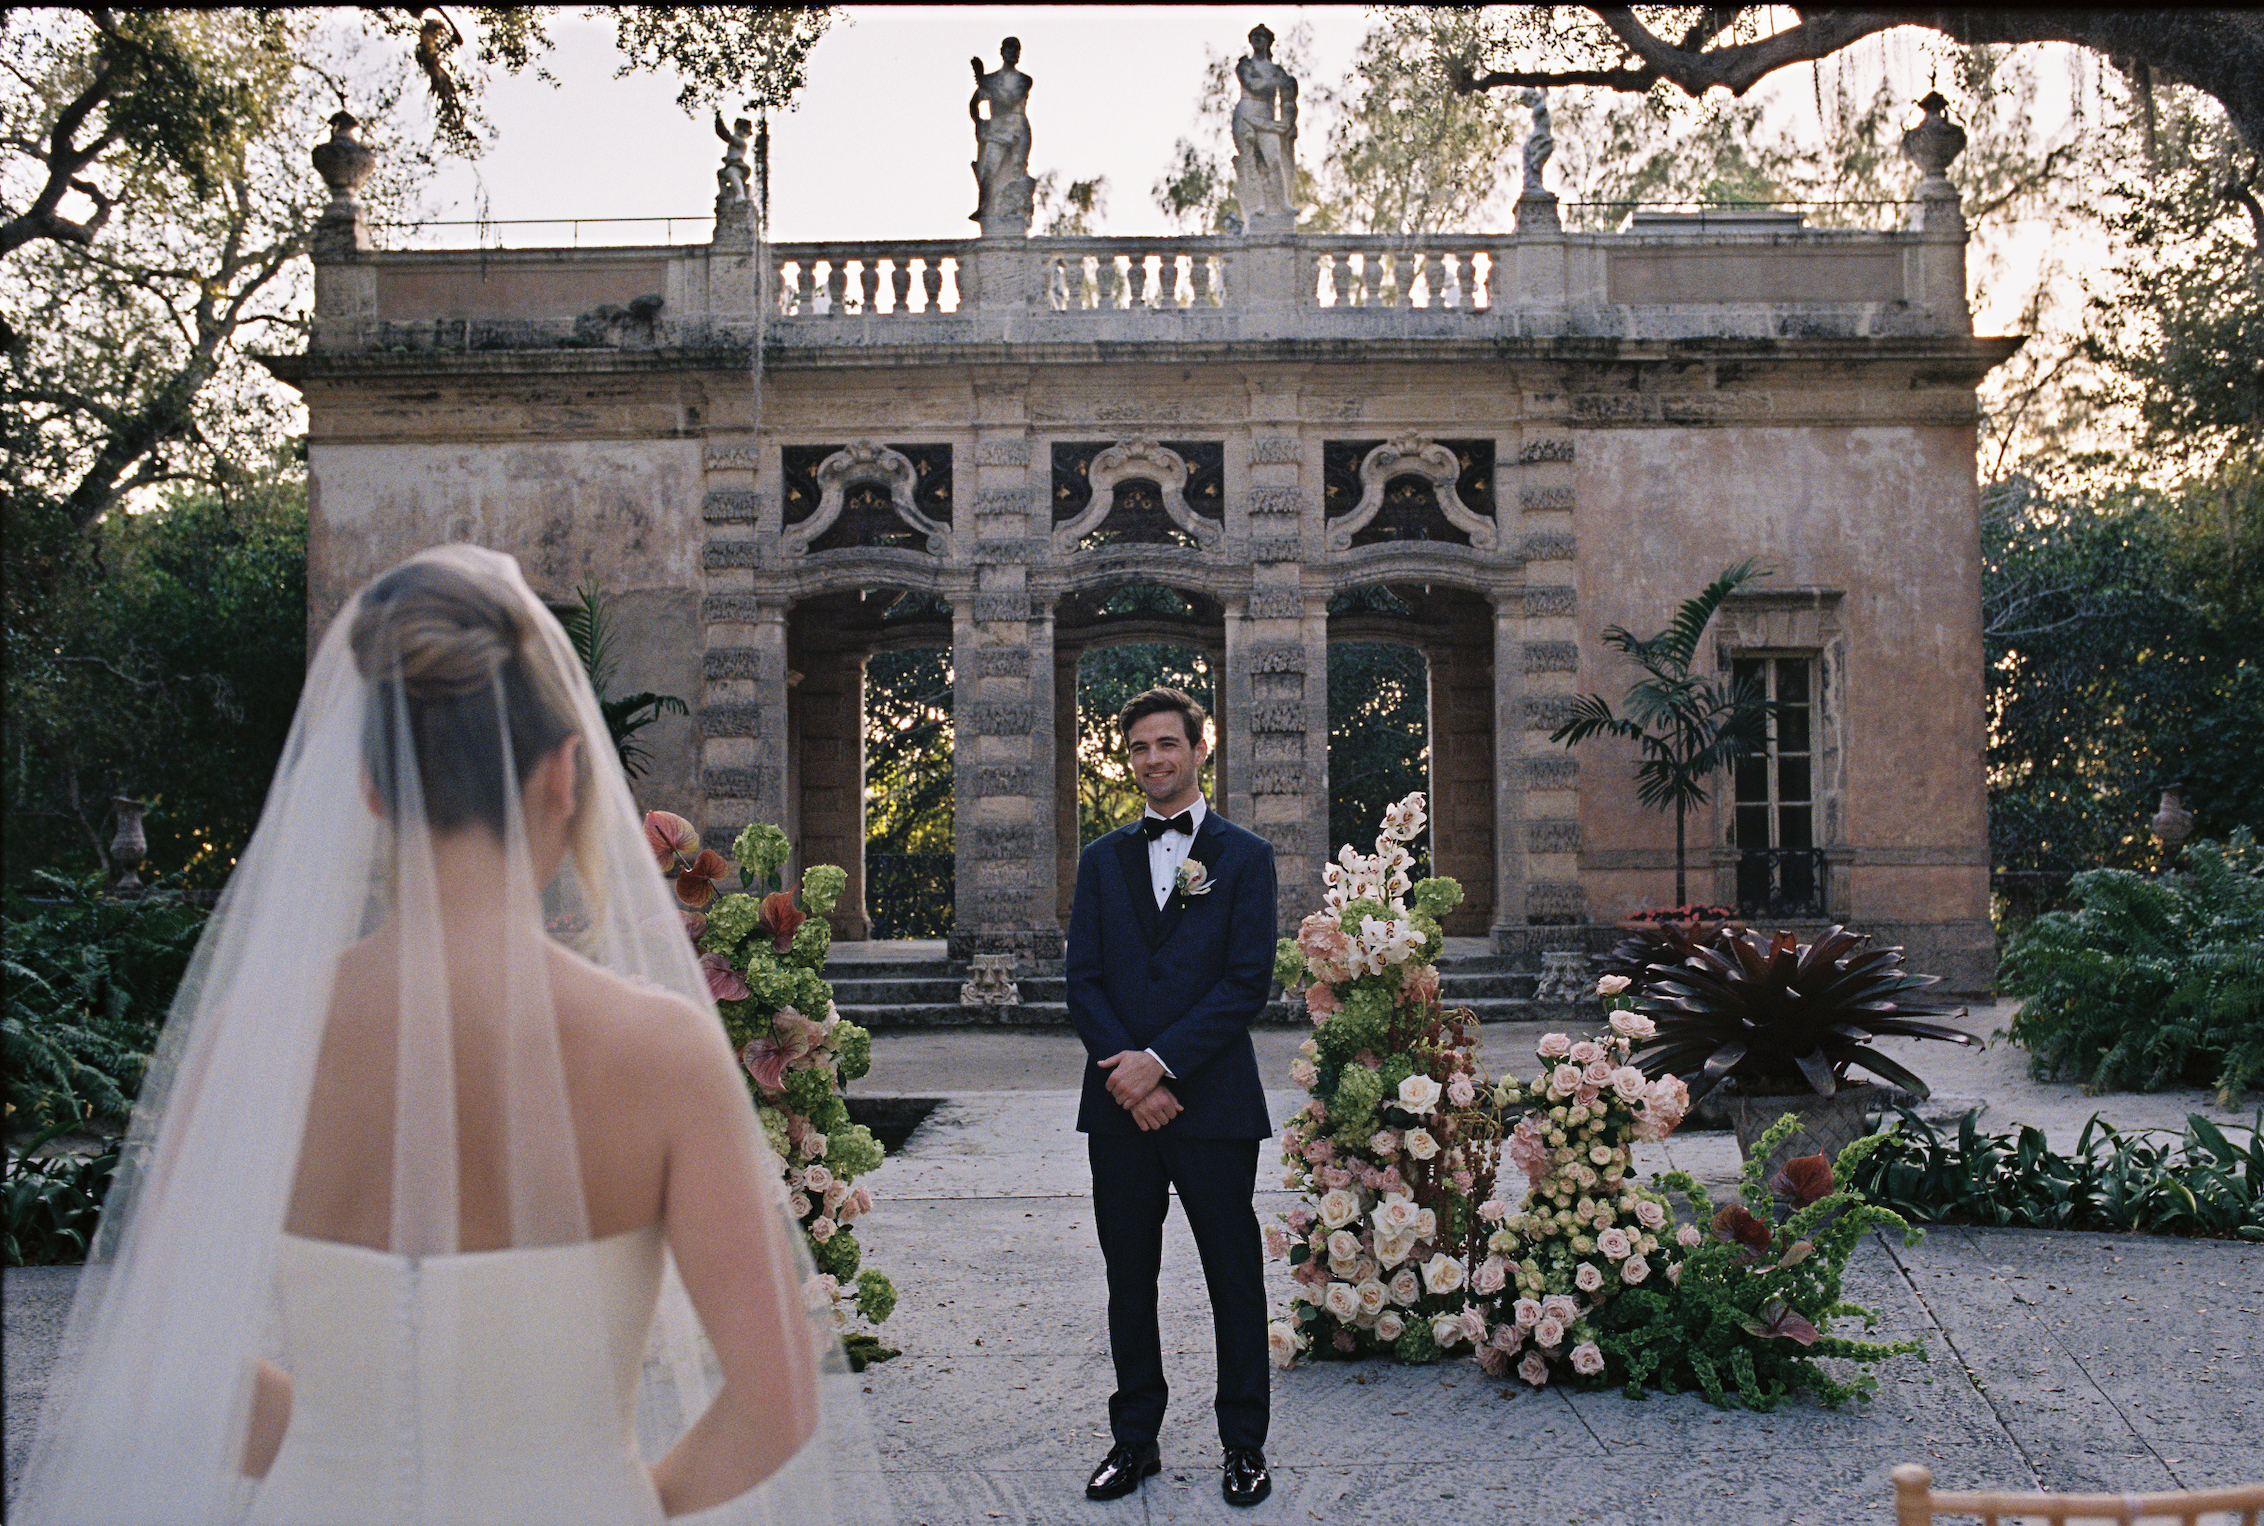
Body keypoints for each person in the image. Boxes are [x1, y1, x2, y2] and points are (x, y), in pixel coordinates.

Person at [12, 546, 880, 1526]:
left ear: (369, 790)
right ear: (564, 773)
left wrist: (350, 1442)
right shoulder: (661, 1051)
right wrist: (628, 1498)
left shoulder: (251, 1039)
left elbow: (166, 1350)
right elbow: (779, 1398)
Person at [1065, 688, 1277, 1509]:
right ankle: (1134, 1440)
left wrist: (1160, 1065)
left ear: (1198, 748)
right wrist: (1130, 1076)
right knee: (1130, 1277)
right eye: (1140, 747)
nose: (1154, 758)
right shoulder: (1099, 861)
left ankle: (1244, 1445)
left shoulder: (1245, 857)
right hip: (1119, 1108)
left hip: (1213, 1104)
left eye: (1168, 743)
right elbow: (1082, 981)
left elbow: (1245, 984)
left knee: (1233, 1277)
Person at [967, 36, 1033, 224]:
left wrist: (982, 79)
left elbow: (1010, 99)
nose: (1014, 53)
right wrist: (980, 123)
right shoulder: (992, 79)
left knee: (1017, 170)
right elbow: (974, 103)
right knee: (989, 169)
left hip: (1018, 128)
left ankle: (1016, 211)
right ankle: (985, 207)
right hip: (997, 129)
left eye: (1017, 50)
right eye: (1010, 49)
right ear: (1002, 52)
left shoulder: (1024, 80)